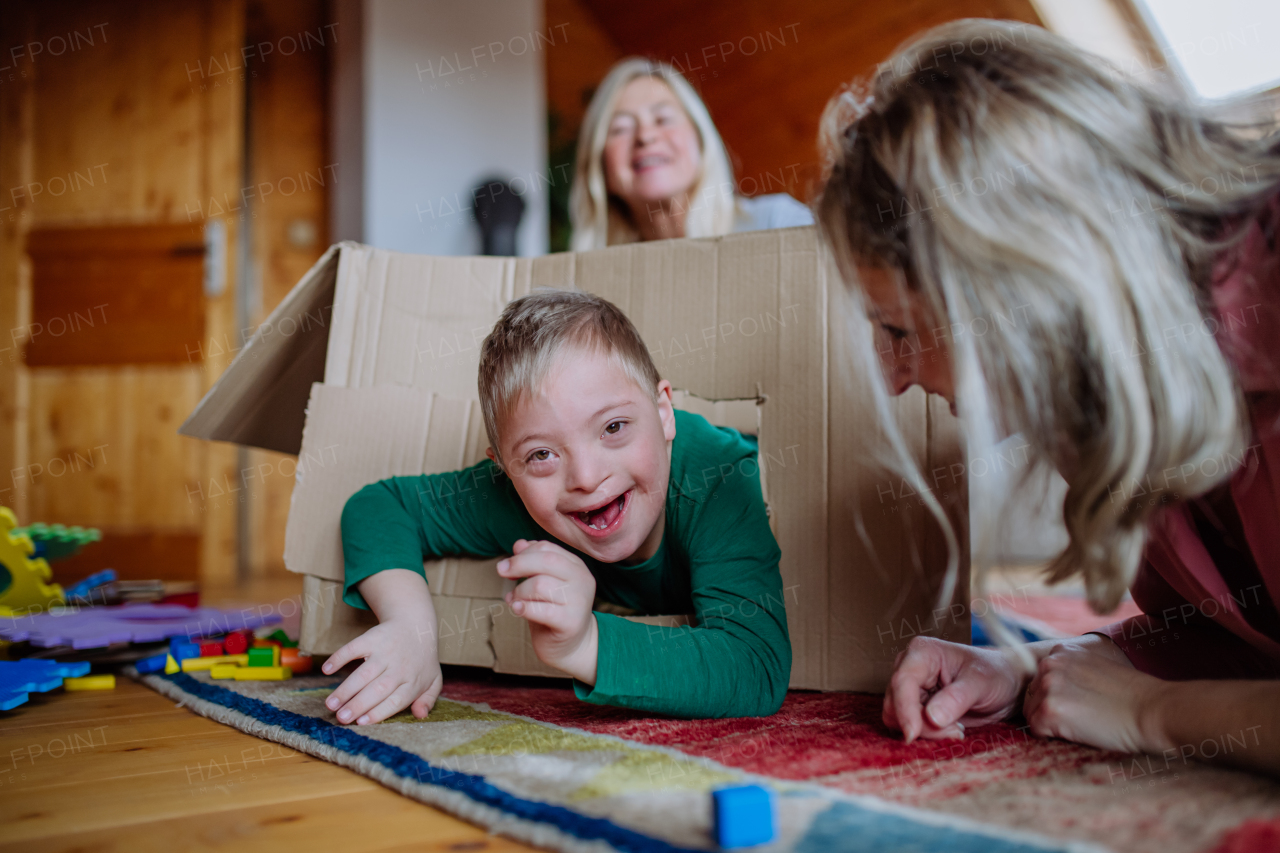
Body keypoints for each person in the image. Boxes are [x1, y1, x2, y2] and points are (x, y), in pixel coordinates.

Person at [814, 19, 1280, 774]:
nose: (894, 376)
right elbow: (1248, 637)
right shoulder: (1116, 400)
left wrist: (1151, 712)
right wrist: (1030, 665)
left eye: (897, 328)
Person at [322, 290, 791, 724]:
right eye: (542, 454)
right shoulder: (515, 500)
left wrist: (585, 644)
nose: (587, 478)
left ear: (664, 413)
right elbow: (381, 506)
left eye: (613, 428)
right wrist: (410, 627)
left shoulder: (720, 479)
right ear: (506, 469)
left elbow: (755, 665)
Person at [569, 57, 812, 250]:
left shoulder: (778, 224)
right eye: (621, 128)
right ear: (599, 164)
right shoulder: (593, 280)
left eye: (663, 119)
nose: (645, 136)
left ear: (701, 139)